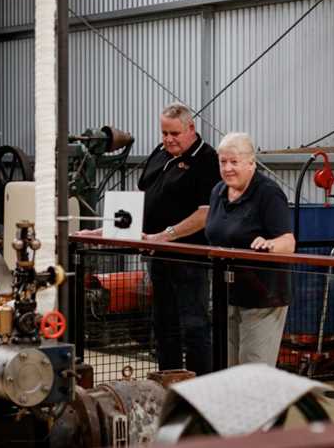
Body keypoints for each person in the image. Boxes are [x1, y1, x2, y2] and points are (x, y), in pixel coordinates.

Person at [76, 103, 220, 375]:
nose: (168, 139)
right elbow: (140, 202)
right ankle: (168, 381)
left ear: (191, 129)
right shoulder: (160, 152)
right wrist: (104, 230)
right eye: (164, 133)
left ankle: (202, 387)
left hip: (190, 260)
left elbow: (205, 213)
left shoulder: (207, 159)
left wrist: (166, 236)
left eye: (174, 133)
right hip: (158, 257)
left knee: (194, 325)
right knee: (164, 324)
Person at [203, 132, 295, 367]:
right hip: (225, 295)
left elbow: (288, 242)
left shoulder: (268, 193)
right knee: (227, 368)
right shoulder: (218, 192)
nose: (228, 168)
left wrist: (269, 244)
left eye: (234, 162)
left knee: (253, 370)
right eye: (223, 162)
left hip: (261, 297)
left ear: (251, 163)